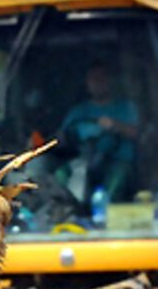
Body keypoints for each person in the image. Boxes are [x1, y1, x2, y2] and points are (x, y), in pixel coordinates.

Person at [55, 62, 140, 220]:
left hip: (116, 163)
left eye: (102, 78)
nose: (97, 83)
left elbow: (136, 134)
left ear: (110, 81)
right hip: (84, 162)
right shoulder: (79, 111)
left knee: (117, 179)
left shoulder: (125, 107)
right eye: (93, 79)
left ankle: (104, 217)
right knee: (61, 174)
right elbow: (62, 137)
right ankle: (69, 214)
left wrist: (114, 125)